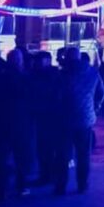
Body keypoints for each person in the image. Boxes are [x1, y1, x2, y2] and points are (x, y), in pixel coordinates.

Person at [54, 48, 104, 195]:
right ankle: (82, 184)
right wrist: (94, 107)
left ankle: (61, 185)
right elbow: (102, 92)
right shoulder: (92, 73)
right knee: (84, 154)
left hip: (65, 119)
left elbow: (57, 95)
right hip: (85, 119)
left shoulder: (64, 74)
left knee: (63, 154)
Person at [0, 48, 33, 200]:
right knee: (21, 156)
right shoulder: (26, 78)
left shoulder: (0, 78)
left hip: (2, 121)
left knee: (2, 156)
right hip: (21, 122)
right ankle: (21, 185)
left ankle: (0, 188)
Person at [30, 50, 59, 186]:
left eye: (39, 60)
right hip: (44, 115)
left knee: (47, 147)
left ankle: (48, 174)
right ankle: (47, 173)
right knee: (44, 147)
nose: (36, 63)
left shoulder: (51, 75)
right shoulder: (46, 74)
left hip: (50, 115)